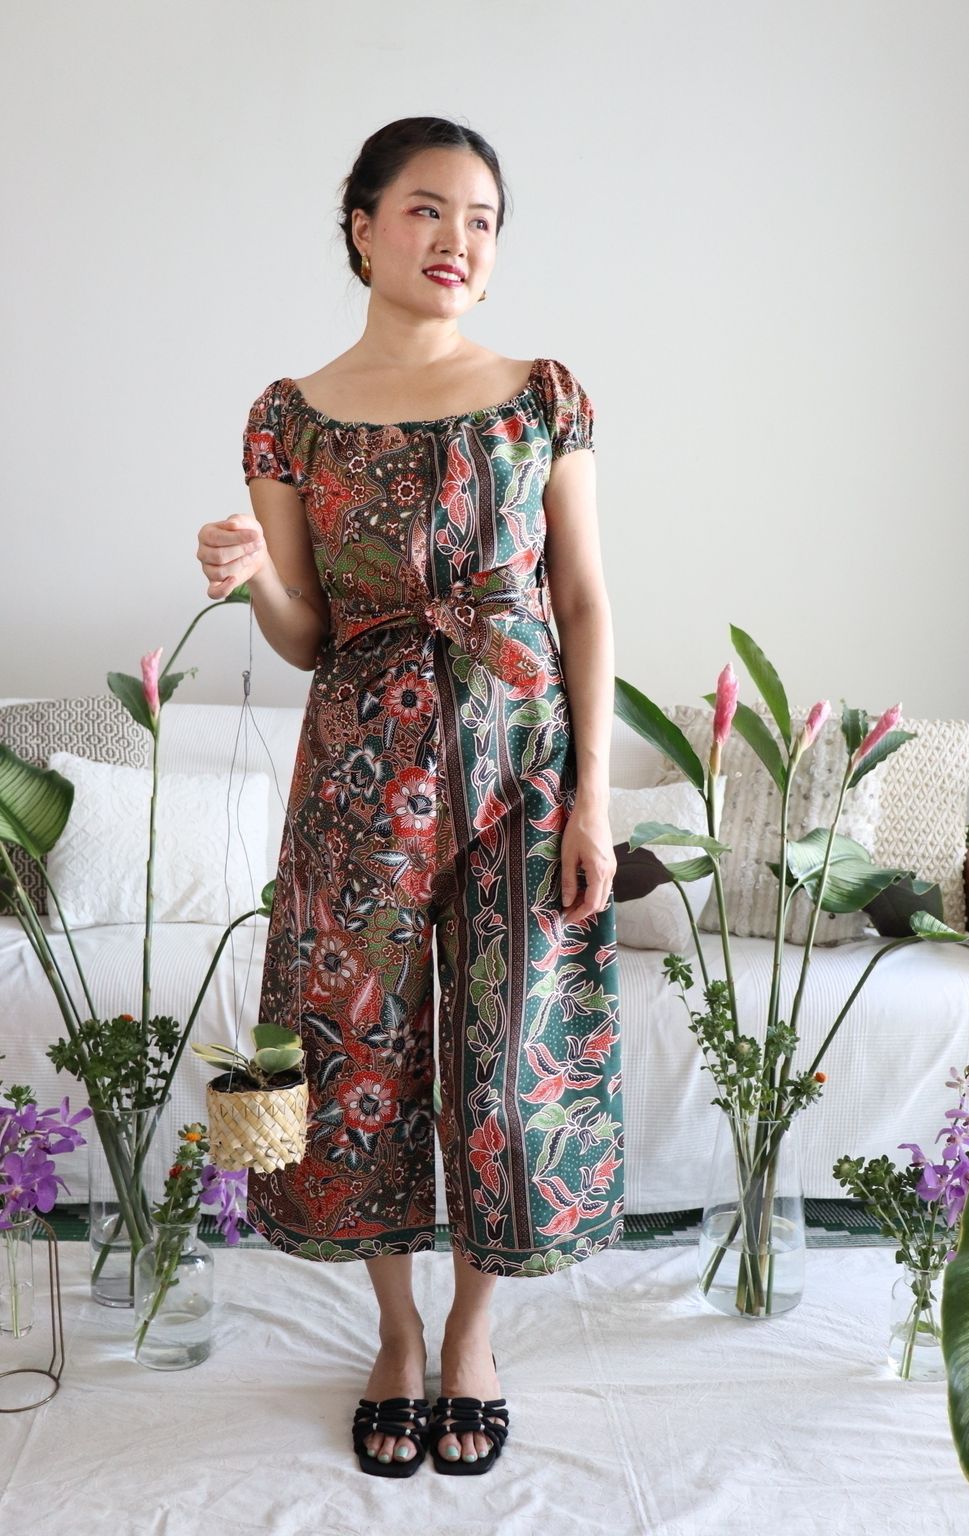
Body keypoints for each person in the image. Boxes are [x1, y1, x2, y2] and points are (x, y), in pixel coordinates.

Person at [196, 116, 623, 1478]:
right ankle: (393, 1334)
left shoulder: (541, 397)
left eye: (482, 218)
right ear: (364, 226)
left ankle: (473, 1340)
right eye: (429, 209)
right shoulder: (289, 416)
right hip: (360, 774)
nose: (457, 238)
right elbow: (307, 632)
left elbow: (583, 600)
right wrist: (248, 582)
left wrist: (593, 798)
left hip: (523, 767)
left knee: (508, 1051)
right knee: (363, 1053)